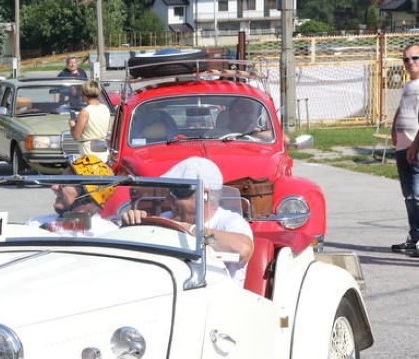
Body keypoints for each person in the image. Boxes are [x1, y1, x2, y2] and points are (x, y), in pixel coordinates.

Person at [122, 157, 254, 286]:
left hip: (217, 300)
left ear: (204, 195)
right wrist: (135, 225)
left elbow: (242, 249)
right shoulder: (167, 218)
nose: (168, 200)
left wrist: (191, 231)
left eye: (177, 193)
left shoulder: (228, 222)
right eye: (169, 192)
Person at [27, 154, 118, 236]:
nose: (54, 187)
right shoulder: (35, 225)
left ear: (86, 197)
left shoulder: (108, 234)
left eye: (64, 183)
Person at [394, 43, 419, 255]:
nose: (410, 63)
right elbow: (402, 109)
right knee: (409, 196)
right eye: (406, 59)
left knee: (416, 196)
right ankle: (414, 237)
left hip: (414, 148)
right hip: (403, 147)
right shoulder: (409, 85)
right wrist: (394, 129)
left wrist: (415, 146)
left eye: (415, 58)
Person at [69, 80, 111, 162]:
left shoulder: (85, 112)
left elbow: (76, 135)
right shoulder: (105, 108)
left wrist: (72, 126)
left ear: (85, 95)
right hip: (103, 149)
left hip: (89, 151)